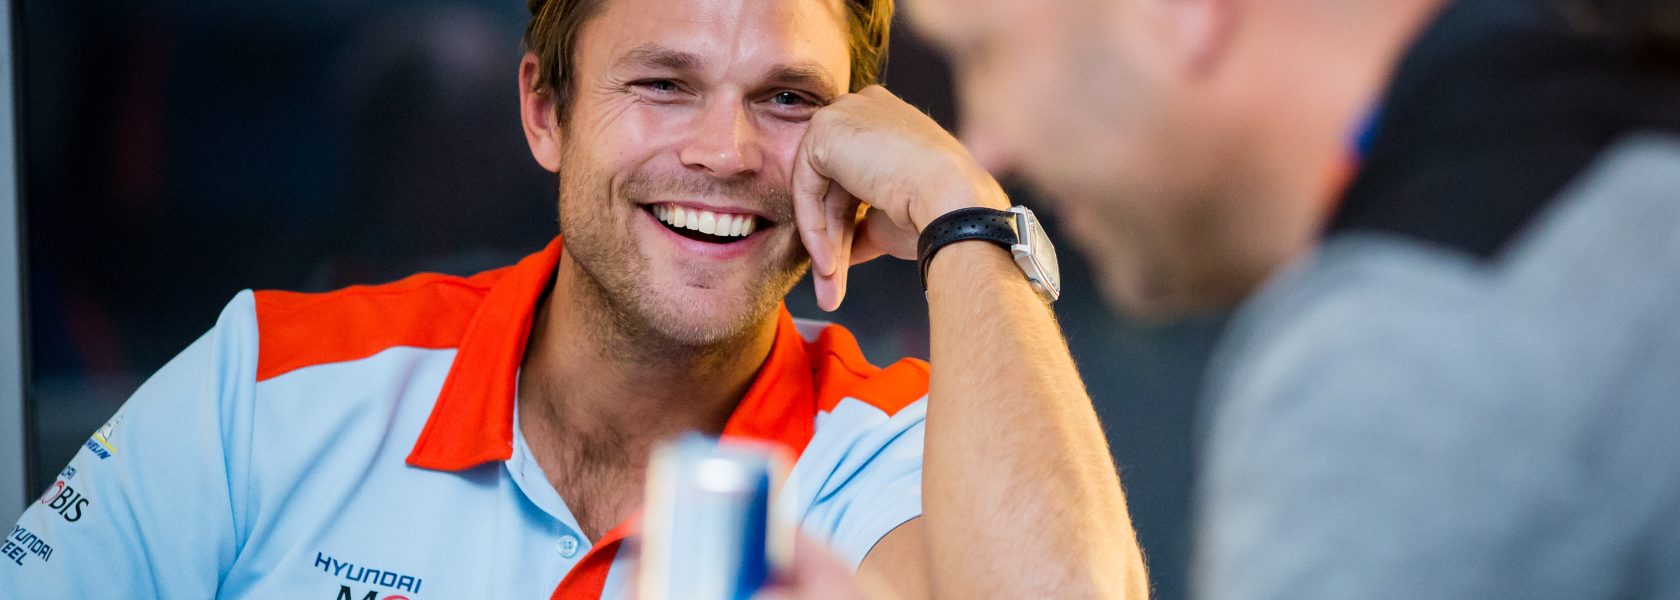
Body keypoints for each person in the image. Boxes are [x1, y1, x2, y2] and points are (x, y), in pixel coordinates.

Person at [1, 0, 1151, 598]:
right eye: (665, 84)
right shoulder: (273, 377)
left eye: (790, 100)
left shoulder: (893, 451)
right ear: (545, 114)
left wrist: (960, 210)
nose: (725, 151)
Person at [765, 0, 1680, 597]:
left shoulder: (1400, 349)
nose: (987, 141)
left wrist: (961, 218)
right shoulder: (1618, 161)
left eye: (986, 55)